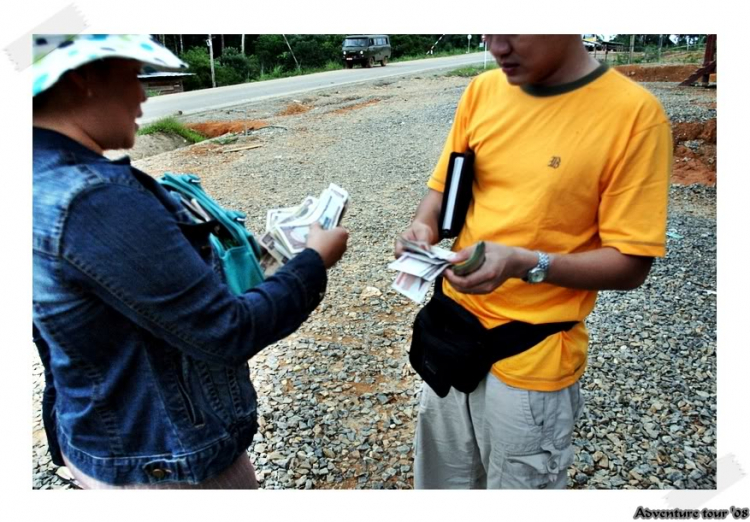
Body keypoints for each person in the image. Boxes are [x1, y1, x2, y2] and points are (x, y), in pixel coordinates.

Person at [32, 34, 348, 489]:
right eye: (133, 75)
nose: (144, 94)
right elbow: (227, 331)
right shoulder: (93, 201)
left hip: (102, 440)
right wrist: (313, 261)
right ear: (83, 79)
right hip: (165, 465)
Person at [397, 34, 671, 489]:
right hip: (450, 334)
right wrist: (423, 227)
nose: (496, 46)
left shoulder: (634, 117)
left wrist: (525, 263)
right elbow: (444, 186)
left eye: (513, 27)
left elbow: (631, 263)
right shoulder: (482, 90)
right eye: (487, 27)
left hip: (532, 360)